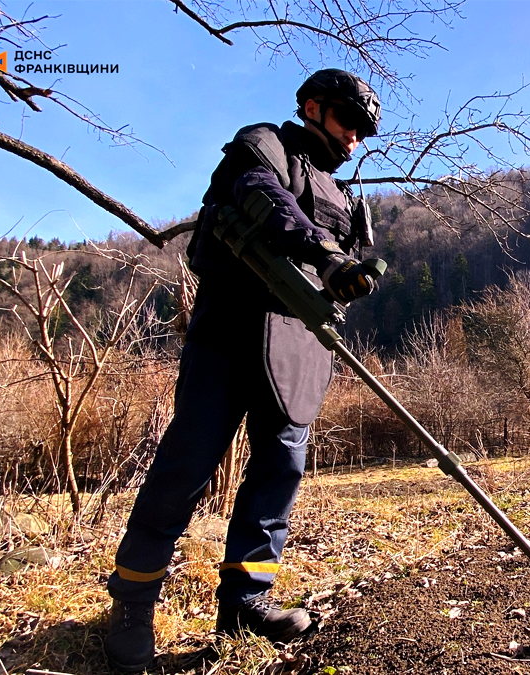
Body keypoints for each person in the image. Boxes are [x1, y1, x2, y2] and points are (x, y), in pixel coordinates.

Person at [103, 68, 382, 673]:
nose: (353, 137)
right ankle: (132, 601)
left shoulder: (345, 197)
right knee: (186, 466)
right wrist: (325, 253)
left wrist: (345, 271)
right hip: (230, 332)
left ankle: (245, 602)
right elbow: (263, 198)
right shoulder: (263, 146)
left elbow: (346, 273)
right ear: (312, 106)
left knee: (281, 468)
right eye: (347, 120)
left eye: (362, 130)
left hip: (299, 344)